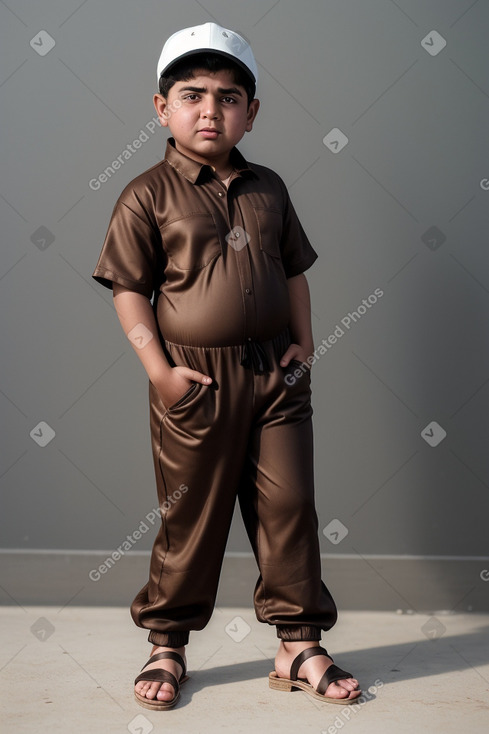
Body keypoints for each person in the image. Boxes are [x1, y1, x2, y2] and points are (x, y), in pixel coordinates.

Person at [92, 21, 361, 710]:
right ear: (161, 108)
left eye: (228, 96)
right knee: (192, 515)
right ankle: (167, 642)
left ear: (251, 111)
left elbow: (293, 271)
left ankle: (298, 641)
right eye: (191, 95)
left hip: (276, 374)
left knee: (290, 505)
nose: (210, 110)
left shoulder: (269, 189)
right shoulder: (145, 194)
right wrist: (160, 372)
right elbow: (130, 290)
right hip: (194, 381)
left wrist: (304, 344)